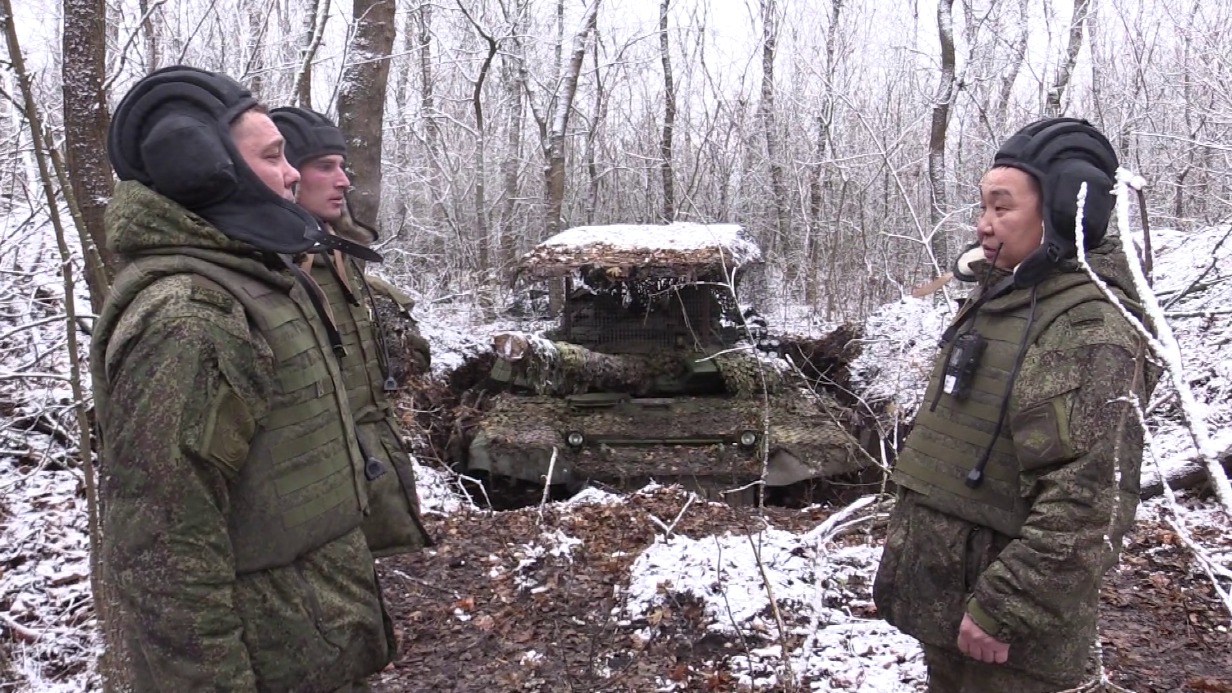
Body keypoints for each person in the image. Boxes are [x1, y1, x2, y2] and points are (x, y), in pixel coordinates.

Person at [91, 66, 393, 691]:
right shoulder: (192, 318)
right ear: (206, 170)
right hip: (268, 661)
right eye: (274, 156)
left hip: (313, 644)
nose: (291, 175)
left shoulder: (254, 282)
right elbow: (163, 548)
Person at [873, 118, 1158, 693]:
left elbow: (1089, 500)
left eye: (1002, 209)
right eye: (982, 208)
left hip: (1007, 640)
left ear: (1063, 212)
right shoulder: (1010, 296)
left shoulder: (1088, 328)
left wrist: (1007, 608)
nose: (983, 225)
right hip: (954, 609)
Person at [270, 105, 432, 557]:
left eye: (343, 167)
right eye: (324, 167)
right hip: (318, 492)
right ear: (285, 173)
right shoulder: (267, 268)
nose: (343, 181)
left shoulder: (339, 252)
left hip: (371, 464)